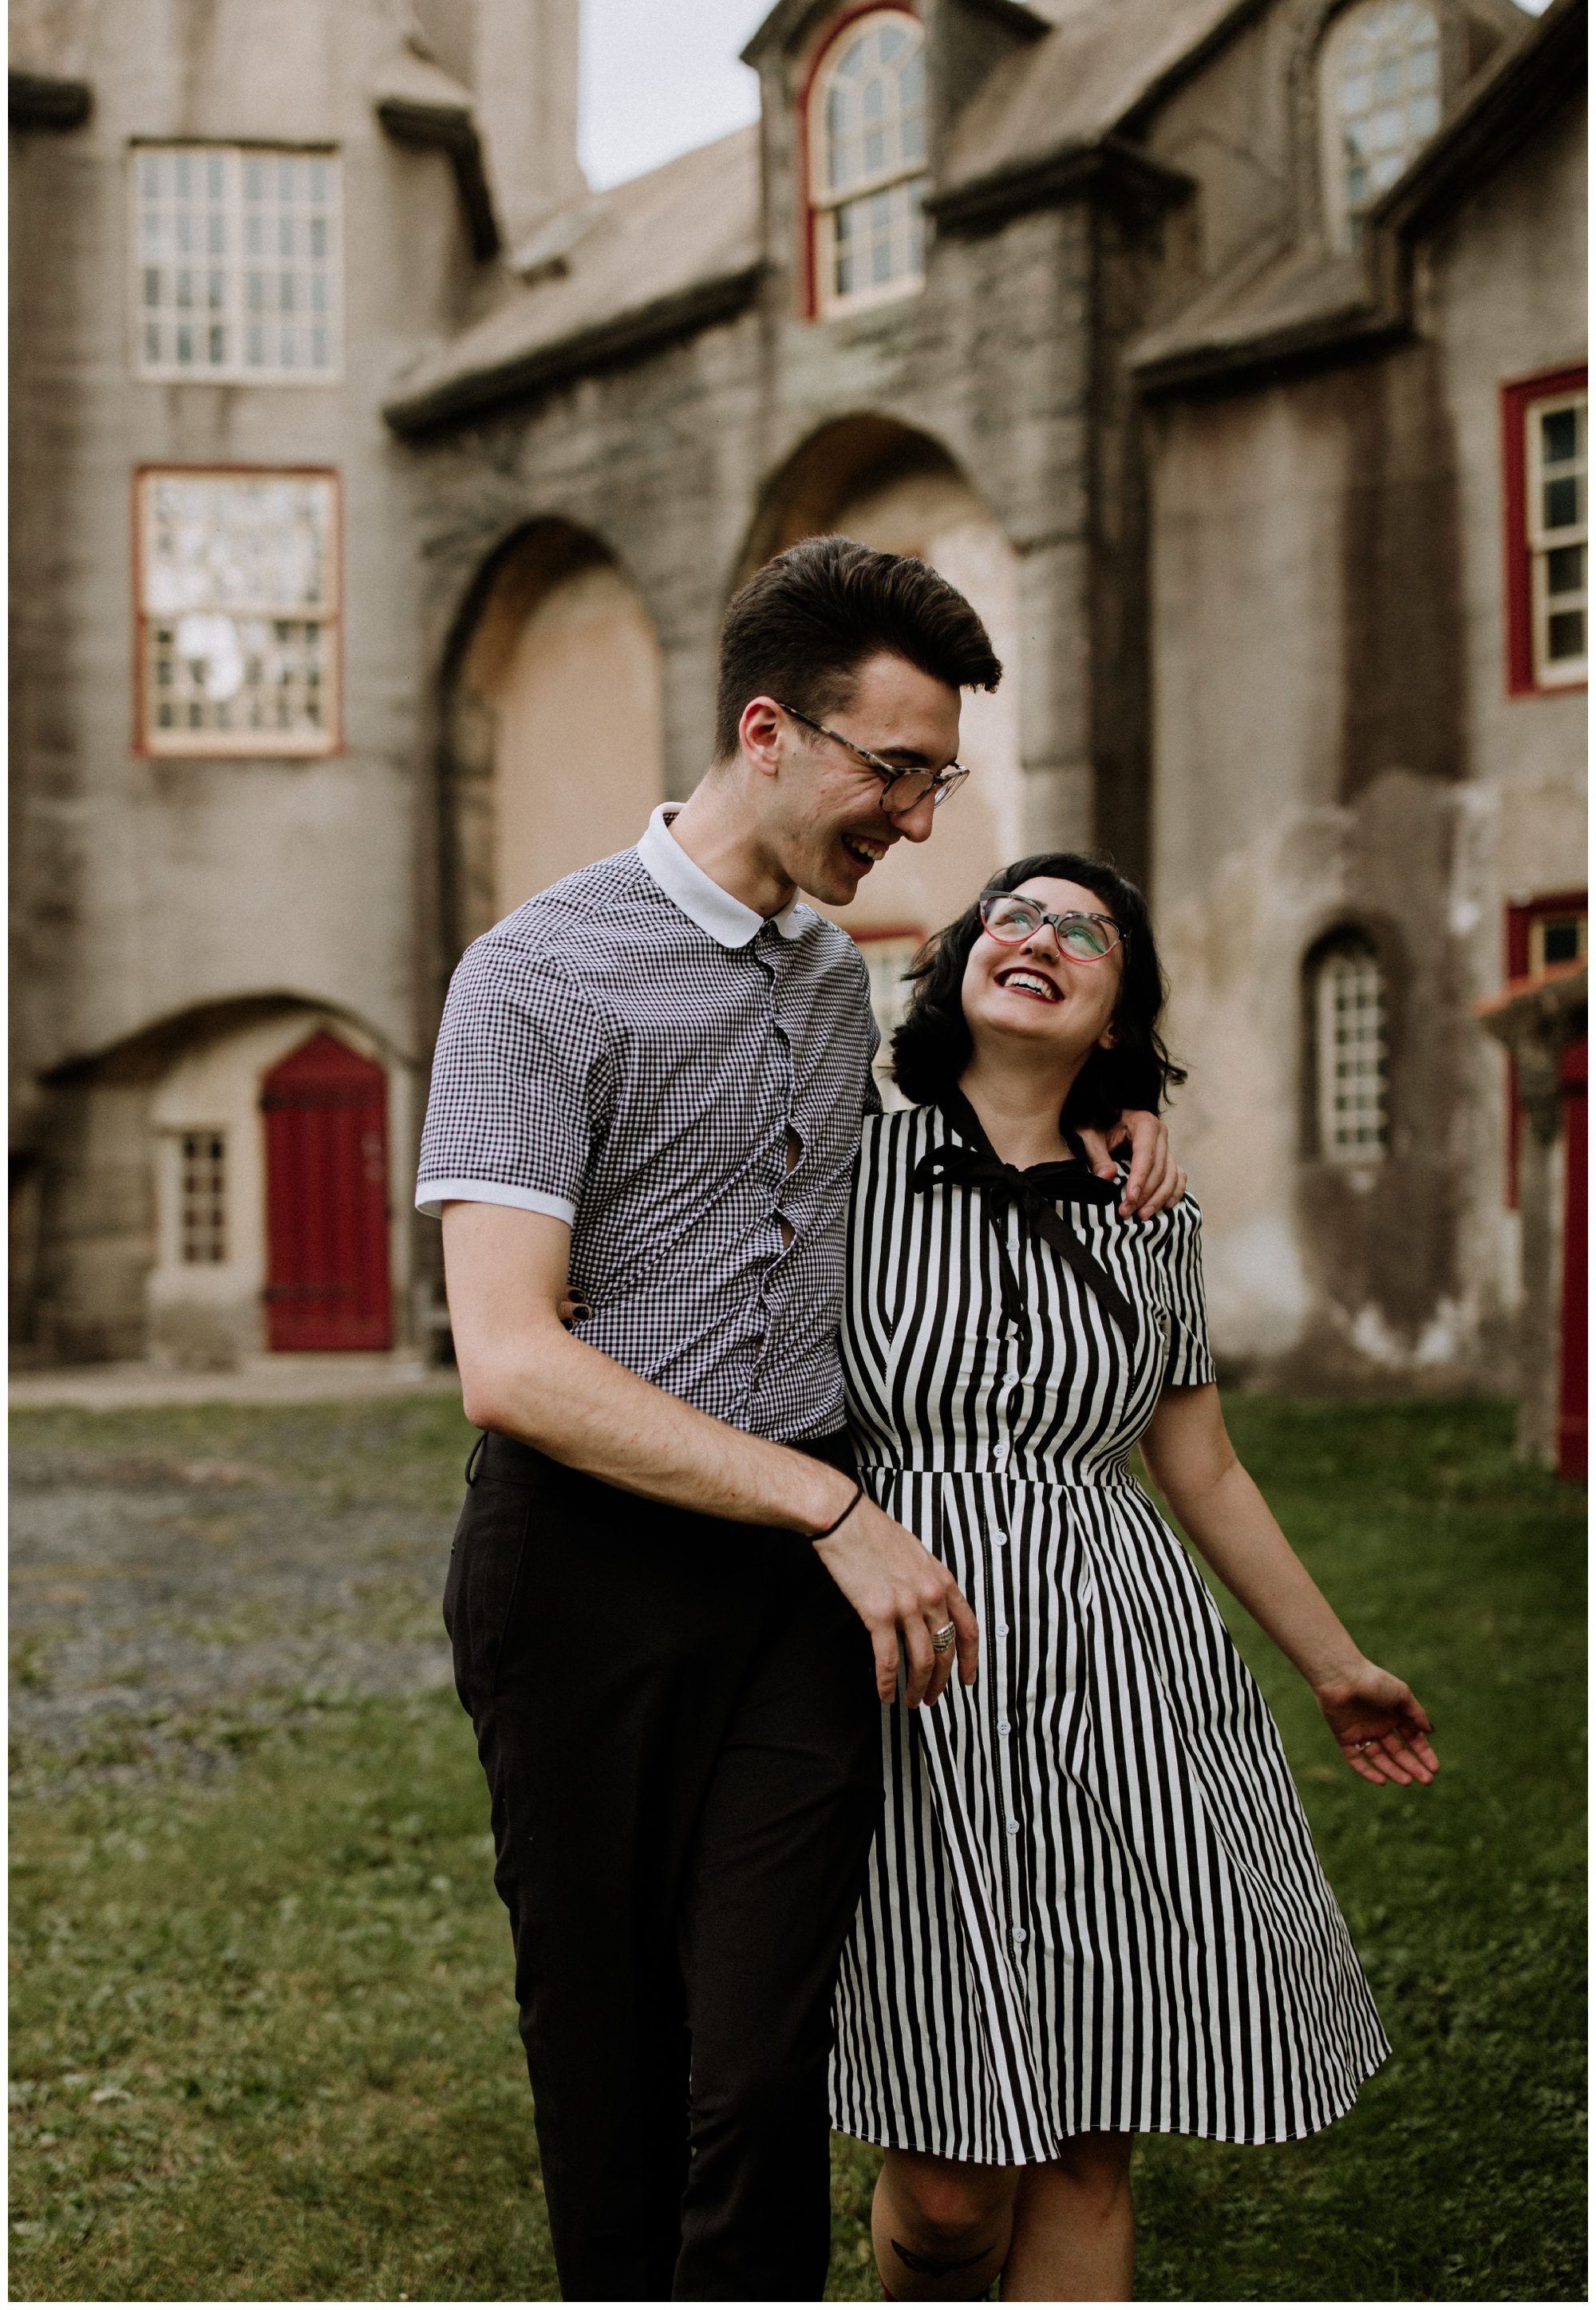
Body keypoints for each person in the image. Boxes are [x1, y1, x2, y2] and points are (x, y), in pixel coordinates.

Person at [415, 539, 1185, 2303]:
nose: (916, 818)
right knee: (610, 2059)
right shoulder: (532, 979)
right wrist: (830, 1506)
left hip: (784, 1601)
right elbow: (511, 1361)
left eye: (938, 777)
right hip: (584, 1574)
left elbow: (983, 1076)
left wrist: (1125, 1115)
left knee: (758, 2072)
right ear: (767, 730)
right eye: (891, 769)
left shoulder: (829, 972)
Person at [831, 853, 1440, 2304]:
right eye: (1011, 915)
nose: (1036, 936)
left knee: (1093, 2136)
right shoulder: (845, 1152)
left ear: (1113, 1017)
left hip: (1124, 1675)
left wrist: (1335, 1664)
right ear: (964, 960)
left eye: (1082, 932)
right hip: (904, 1673)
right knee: (949, 2184)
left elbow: (1205, 1468)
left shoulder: (1147, 1205)